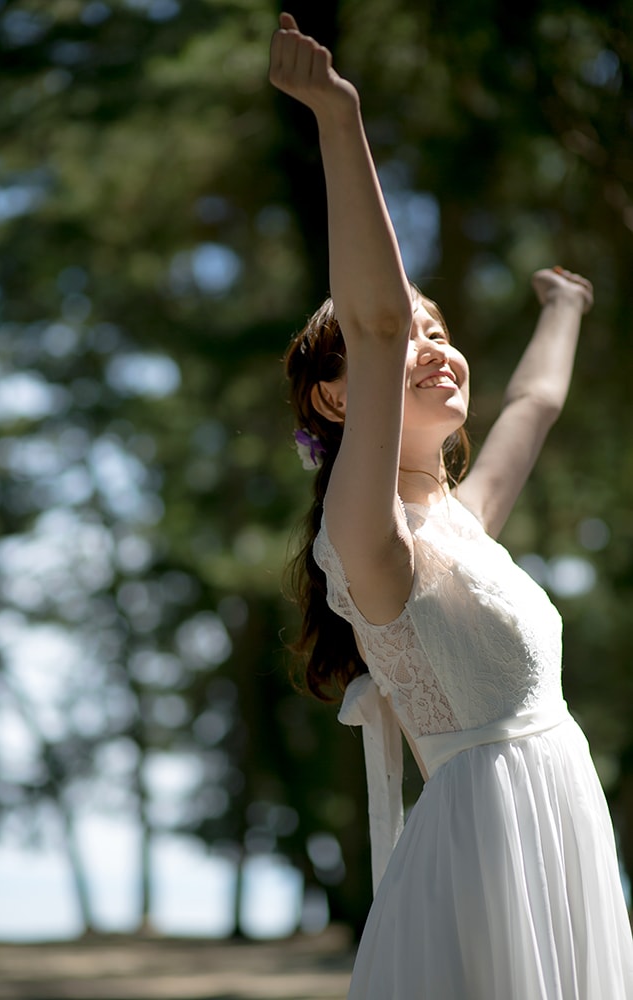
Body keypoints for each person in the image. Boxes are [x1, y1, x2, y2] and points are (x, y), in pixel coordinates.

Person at [270, 12, 633, 1000]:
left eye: (444, 329)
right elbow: (377, 321)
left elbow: (533, 403)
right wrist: (336, 117)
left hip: (560, 839)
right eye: (406, 335)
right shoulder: (369, 532)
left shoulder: (462, 523)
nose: (431, 343)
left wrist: (562, 303)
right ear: (338, 397)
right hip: (485, 863)